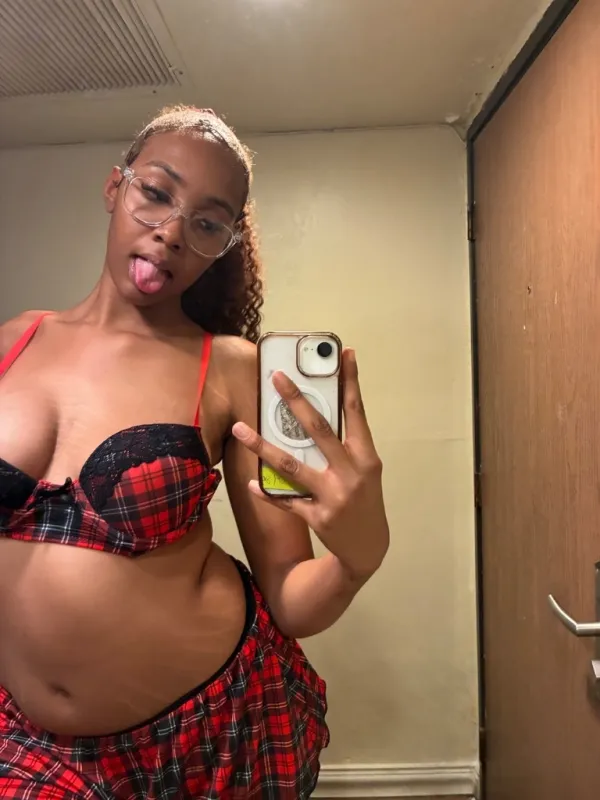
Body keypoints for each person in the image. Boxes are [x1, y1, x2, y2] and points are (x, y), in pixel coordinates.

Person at [0, 105, 389, 799]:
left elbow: (292, 600)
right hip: (27, 740)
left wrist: (359, 558)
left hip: (209, 733)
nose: (172, 232)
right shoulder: (13, 343)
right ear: (115, 187)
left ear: (224, 243)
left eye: (207, 223)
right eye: (156, 193)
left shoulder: (233, 368)